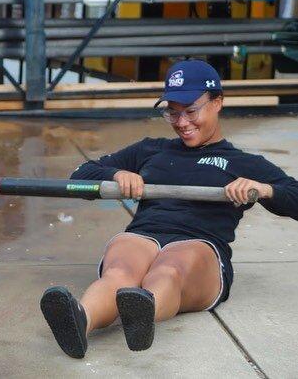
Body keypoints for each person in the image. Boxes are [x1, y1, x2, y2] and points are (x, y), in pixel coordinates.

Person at [39, 59, 298, 359]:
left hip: (200, 245)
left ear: (218, 102)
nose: (182, 122)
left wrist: (265, 190)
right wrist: (115, 175)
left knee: (170, 266)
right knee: (120, 271)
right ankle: (79, 321)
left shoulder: (243, 163)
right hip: (144, 236)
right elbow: (81, 174)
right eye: (172, 113)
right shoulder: (151, 149)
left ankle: (143, 309)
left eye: (191, 111)